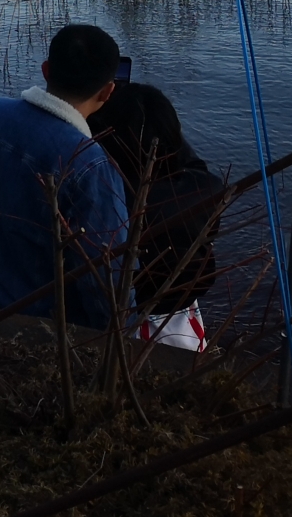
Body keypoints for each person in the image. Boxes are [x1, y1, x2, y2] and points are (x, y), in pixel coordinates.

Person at [0, 23, 130, 327]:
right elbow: (104, 276)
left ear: (45, 69)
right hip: (51, 329)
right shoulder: (90, 165)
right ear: (108, 91)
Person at [88, 80, 223, 348]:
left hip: (135, 326)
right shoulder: (206, 189)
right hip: (180, 318)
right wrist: (153, 119)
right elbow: (187, 159)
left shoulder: (112, 200)